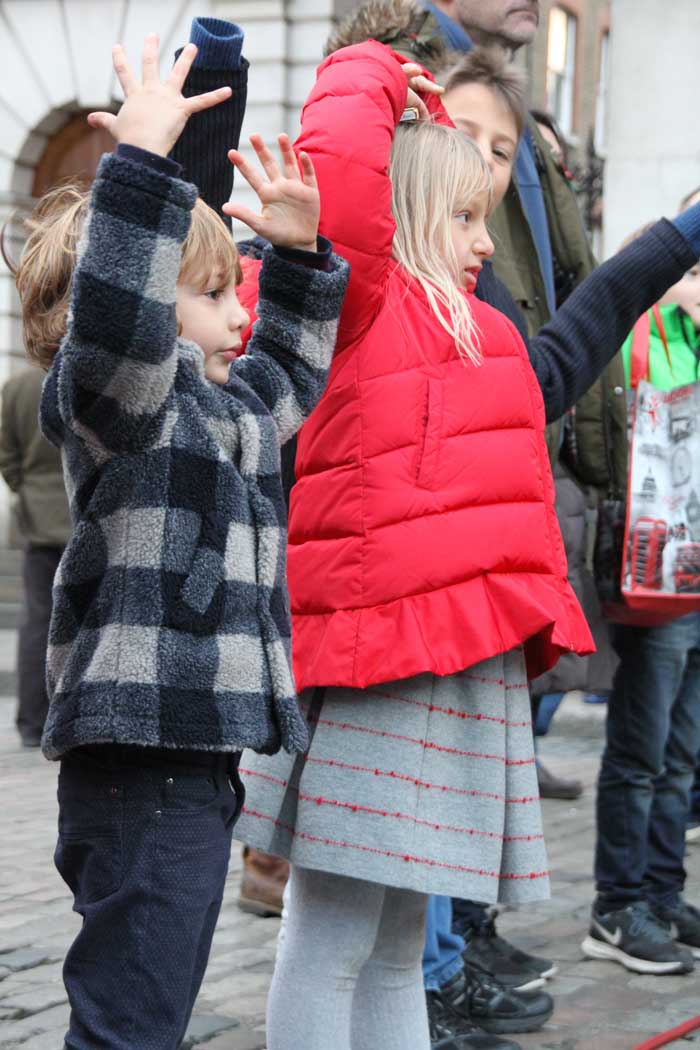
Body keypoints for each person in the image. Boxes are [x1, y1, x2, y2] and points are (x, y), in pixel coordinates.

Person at [232, 40, 700, 1050]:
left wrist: (685, 232)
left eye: (484, 215)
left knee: (399, 946)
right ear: (396, 225)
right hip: (374, 670)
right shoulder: (360, 305)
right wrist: (379, 69)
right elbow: (348, 172)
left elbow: (602, 304)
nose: (481, 241)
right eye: (457, 216)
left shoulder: (490, 344)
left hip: (454, 673)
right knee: (330, 937)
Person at [8, 35, 348, 1050]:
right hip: (140, 759)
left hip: (196, 757)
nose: (237, 312)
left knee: (149, 998)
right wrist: (145, 168)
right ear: (151, 301)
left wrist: (294, 258)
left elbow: (290, 373)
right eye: (213, 294)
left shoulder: (223, 411)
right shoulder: (125, 399)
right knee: (131, 1019)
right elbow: (116, 315)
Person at [582, 239, 700, 976]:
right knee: (641, 751)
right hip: (659, 581)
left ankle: (662, 890)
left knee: (683, 754)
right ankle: (617, 903)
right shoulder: (640, 337)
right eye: (691, 272)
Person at [0, 367, 71, 748]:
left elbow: (7, 456)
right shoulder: (81, 375)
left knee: (36, 619)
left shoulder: (17, 387)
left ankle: (31, 721)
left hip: (37, 518)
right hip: (80, 513)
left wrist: (26, 491)